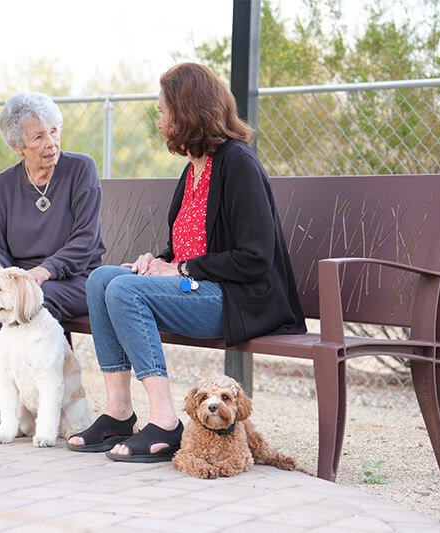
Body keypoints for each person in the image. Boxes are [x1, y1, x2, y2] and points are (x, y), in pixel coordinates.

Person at [66, 63, 307, 462]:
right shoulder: (194, 167)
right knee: (101, 279)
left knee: (124, 289)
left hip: (235, 300)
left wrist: (178, 269)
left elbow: (255, 257)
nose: (159, 120)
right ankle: (118, 415)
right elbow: (186, 248)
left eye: (163, 111)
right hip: (196, 288)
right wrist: (157, 260)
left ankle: (165, 423)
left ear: (188, 111)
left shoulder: (238, 164)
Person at [0, 92, 106, 430]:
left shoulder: (81, 169)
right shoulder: (2, 186)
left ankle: (39, 403)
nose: (51, 143)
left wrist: (42, 273)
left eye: (54, 131)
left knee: (32, 298)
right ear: (18, 147)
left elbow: (85, 240)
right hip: (20, 280)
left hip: (73, 278)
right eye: (38, 137)